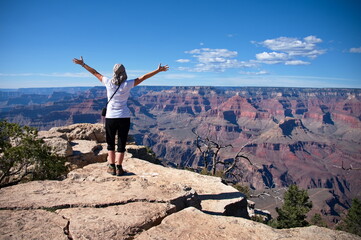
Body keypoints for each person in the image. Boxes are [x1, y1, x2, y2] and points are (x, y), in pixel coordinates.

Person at [73, 56, 169, 176]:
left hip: (110, 118)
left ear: (114, 72)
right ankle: (119, 167)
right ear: (124, 72)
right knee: (121, 143)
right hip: (124, 117)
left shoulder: (108, 82)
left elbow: (95, 73)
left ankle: (111, 166)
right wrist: (158, 70)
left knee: (110, 143)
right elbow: (143, 77)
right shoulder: (128, 84)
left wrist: (83, 64)